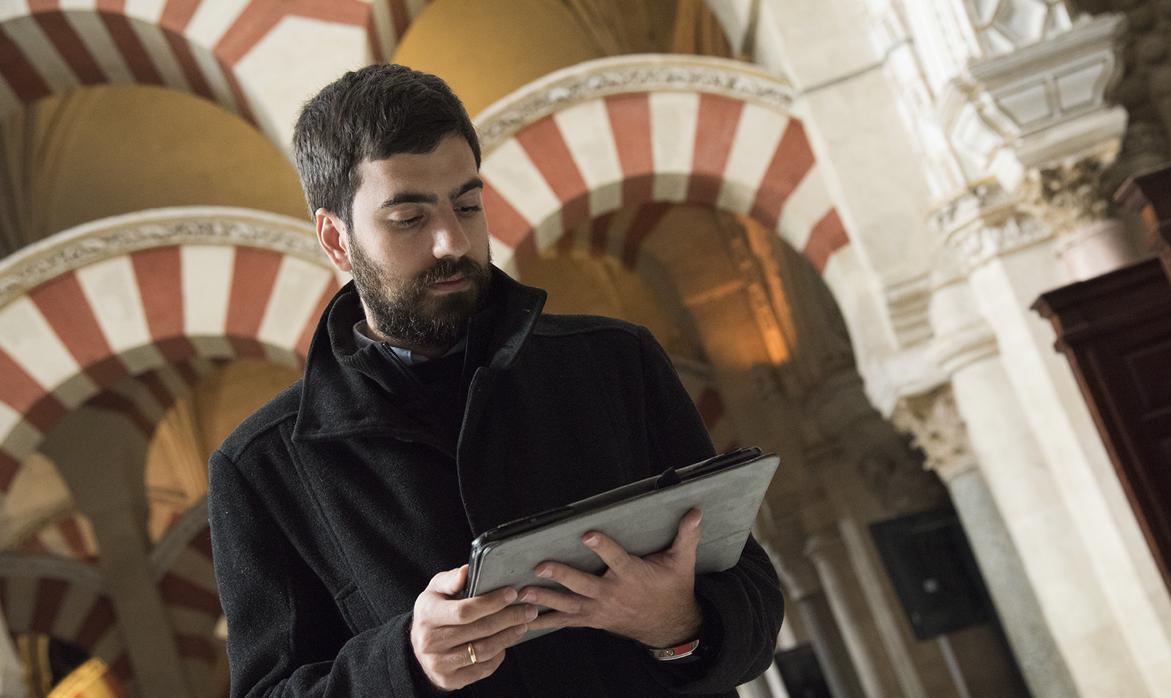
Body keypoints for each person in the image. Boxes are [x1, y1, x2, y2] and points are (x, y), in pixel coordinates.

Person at [208, 64, 784, 697]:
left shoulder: (617, 362)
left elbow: (753, 599)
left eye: (467, 204)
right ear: (336, 239)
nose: (451, 241)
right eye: (408, 218)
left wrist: (676, 622)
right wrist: (407, 664)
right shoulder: (262, 468)